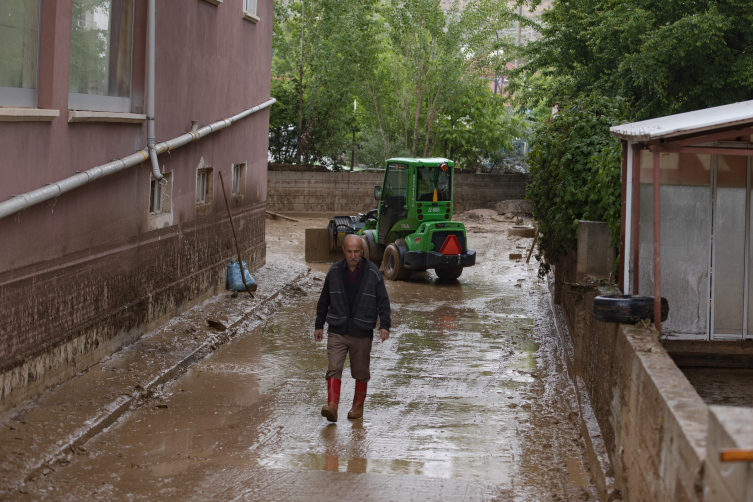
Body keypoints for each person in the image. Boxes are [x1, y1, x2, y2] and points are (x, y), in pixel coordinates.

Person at [314, 234, 391, 422]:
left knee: (361, 371)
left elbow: (383, 301)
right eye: (349, 251)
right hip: (337, 330)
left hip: (362, 332)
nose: (353, 255)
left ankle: (357, 407)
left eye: (356, 251)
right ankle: (332, 406)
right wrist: (319, 325)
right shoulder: (333, 272)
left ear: (362, 251)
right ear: (343, 251)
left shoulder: (372, 273)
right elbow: (323, 301)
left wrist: (385, 325)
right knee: (334, 367)